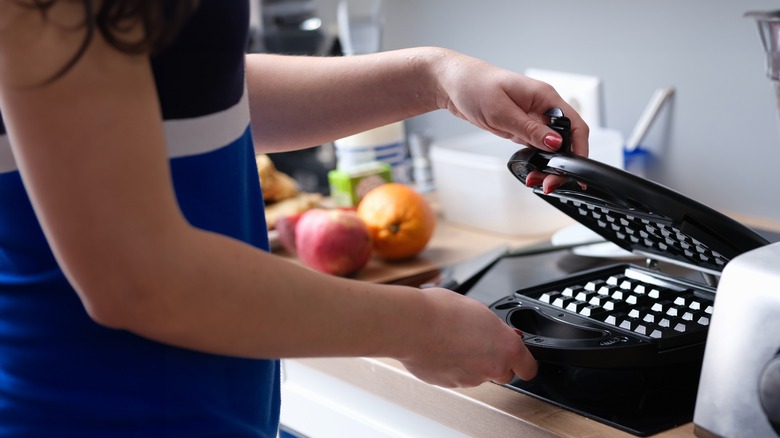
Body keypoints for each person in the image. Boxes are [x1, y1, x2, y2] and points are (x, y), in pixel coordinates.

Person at [0, 0, 589, 436]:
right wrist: (420, 328)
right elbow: (141, 278)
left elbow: (190, 93)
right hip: (86, 412)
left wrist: (431, 77)